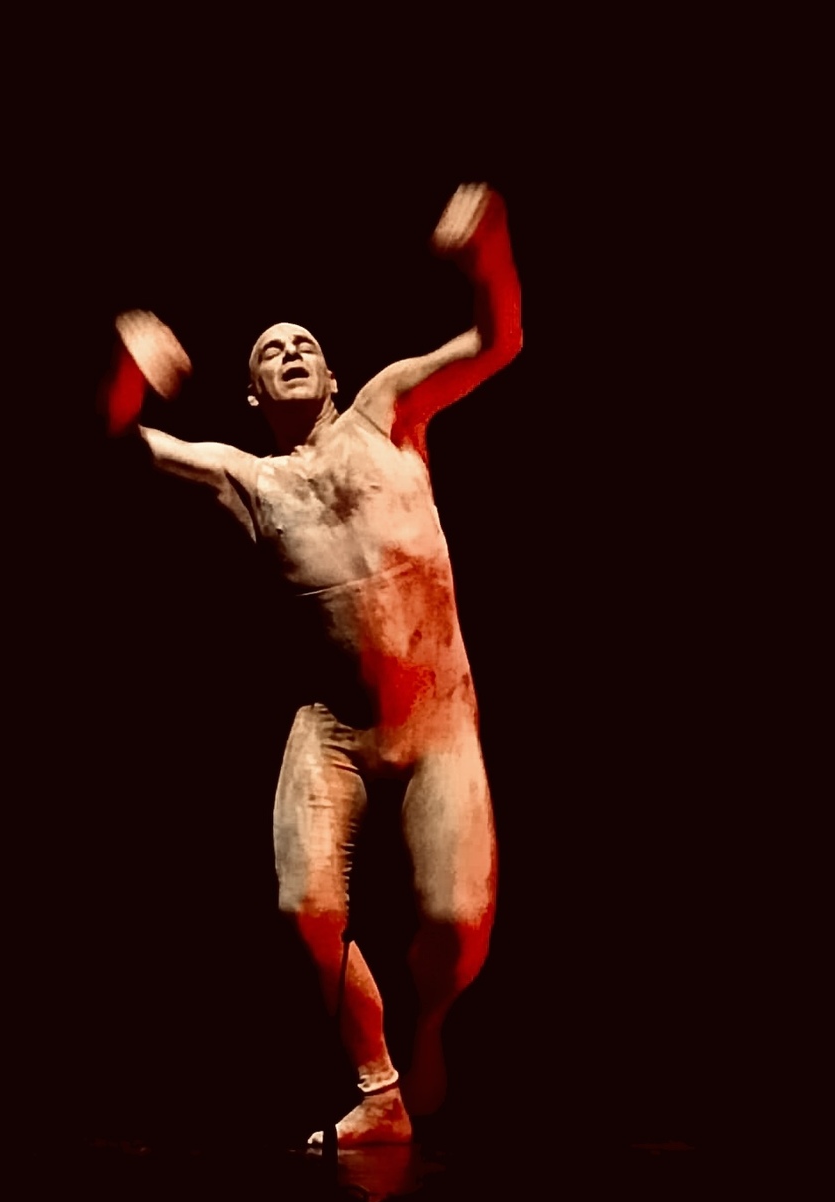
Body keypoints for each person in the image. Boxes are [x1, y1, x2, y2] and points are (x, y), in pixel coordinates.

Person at [103, 183, 522, 1146]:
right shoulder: (248, 480)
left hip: (438, 719)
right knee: (304, 909)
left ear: (333, 375)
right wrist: (128, 368)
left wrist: (490, 254)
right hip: (333, 729)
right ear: (253, 396)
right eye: (269, 351)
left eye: (304, 344)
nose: (289, 351)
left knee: (457, 926)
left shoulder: (387, 411)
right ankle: (378, 1090)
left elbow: (496, 340)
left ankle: (430, 1026)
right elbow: (121, 441)